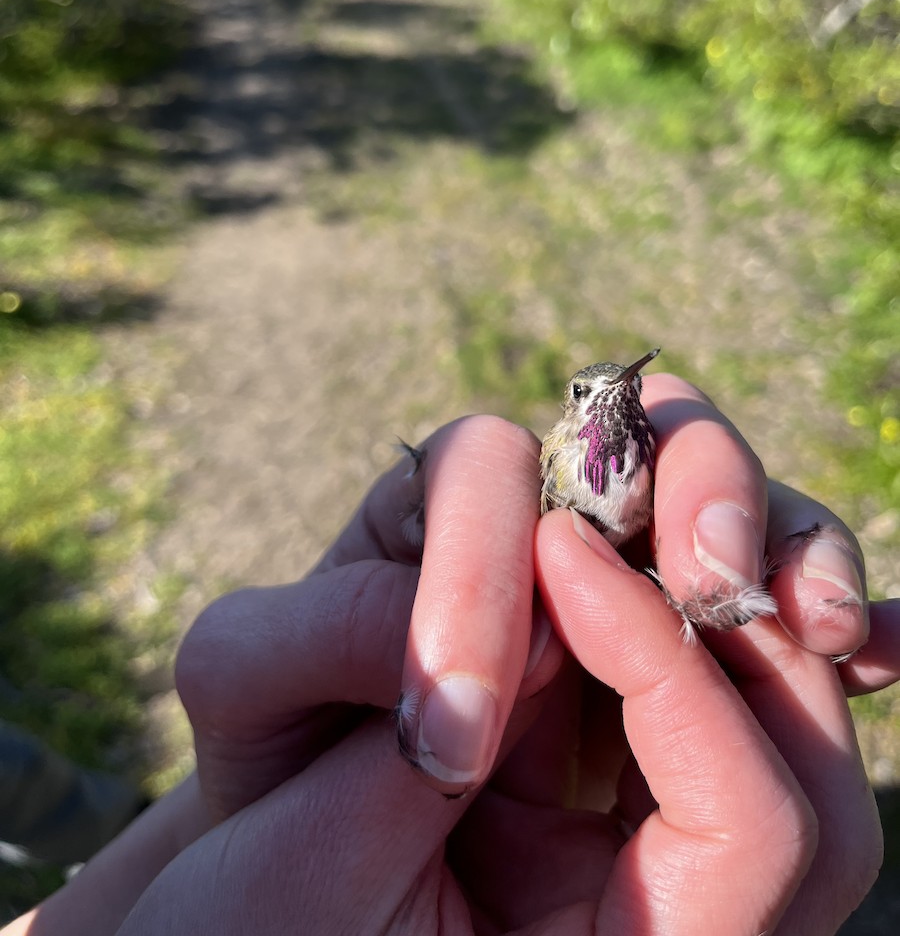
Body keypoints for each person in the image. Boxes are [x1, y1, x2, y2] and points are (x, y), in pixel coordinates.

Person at [5, 374, 899, 935]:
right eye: (594, 396)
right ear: (579, 415)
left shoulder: (626, 452)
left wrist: (222, 814)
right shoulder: (573, 460)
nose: (611, 403)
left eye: (616, 394)